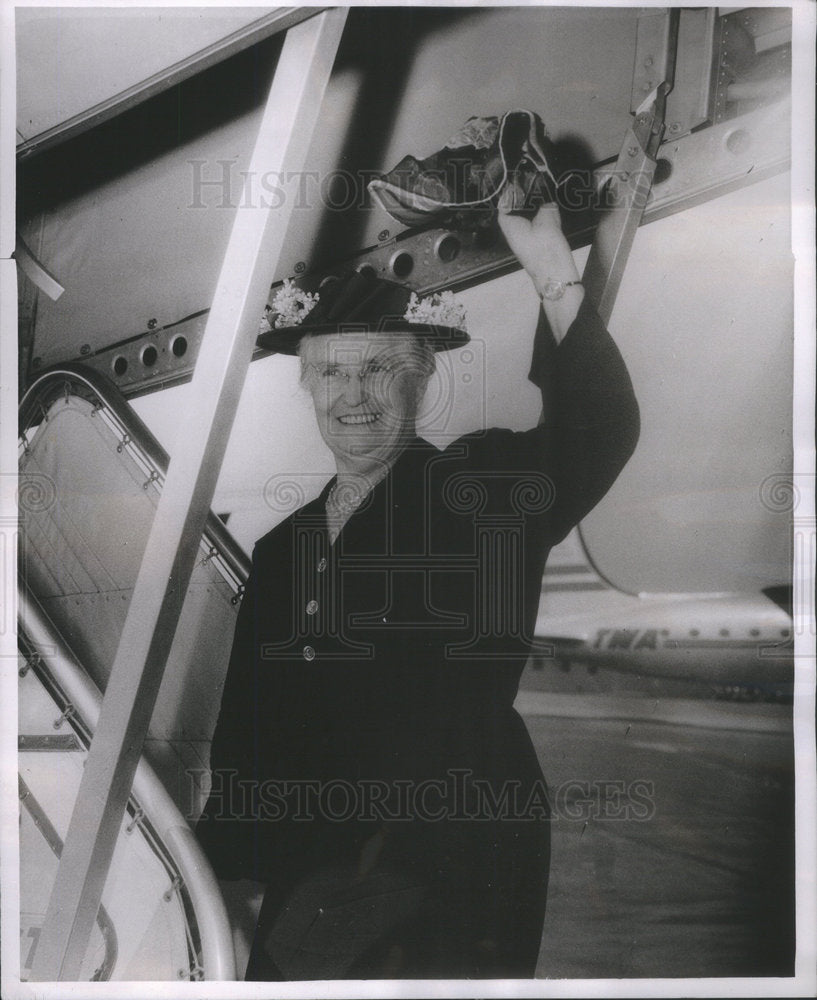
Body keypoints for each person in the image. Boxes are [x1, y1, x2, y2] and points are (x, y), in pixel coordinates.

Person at [195, 200, 640, 980]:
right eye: (331, 370)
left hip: (449, 854)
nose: (353, 393)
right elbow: (246, 733)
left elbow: (598, 429)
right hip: (313, 864)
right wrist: (220, 881)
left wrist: (550, 271)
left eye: (379, 367)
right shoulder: (281, 548)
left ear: (422, 373)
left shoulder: (480, 487)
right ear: (307, 385)